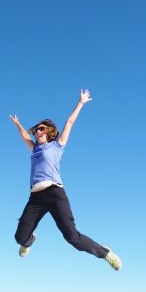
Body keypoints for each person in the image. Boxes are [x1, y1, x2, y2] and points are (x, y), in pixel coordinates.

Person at [9, 89, 121, 271]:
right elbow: (24, 135)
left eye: (41, 128)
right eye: (36, 129)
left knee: (71, 237)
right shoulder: (35, 149)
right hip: (36, 198)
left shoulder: (57, 146)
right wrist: (17, 123)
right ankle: (29, 241)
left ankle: (105, 253)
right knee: (20, 238)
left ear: (49, 131)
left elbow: (69, 122)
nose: (37, 131)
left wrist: (81, 103)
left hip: (55, 193)